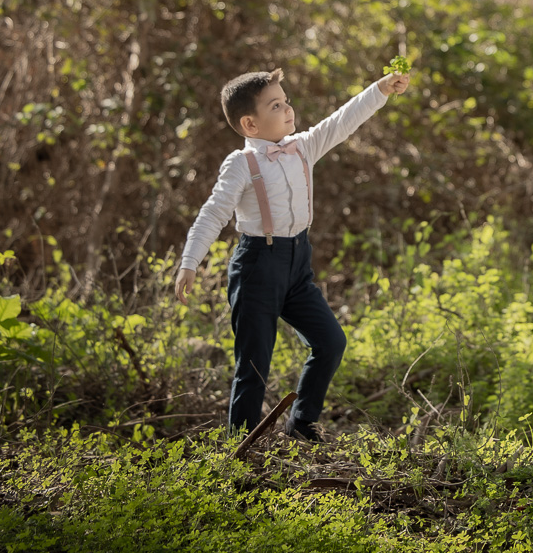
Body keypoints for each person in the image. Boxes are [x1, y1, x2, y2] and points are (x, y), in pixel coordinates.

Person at [176, 66, 412, 439]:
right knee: (253, 363)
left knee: (331, 341)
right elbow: (214, 212)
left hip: (297, 262)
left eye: (286, 102)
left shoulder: (303, 146)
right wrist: (190, 261)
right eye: (275, 106)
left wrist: (381, 88)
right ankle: (242, 445)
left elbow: (343, 120)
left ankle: (301, 423)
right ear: (250, 124)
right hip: (257, 266)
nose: (288, 110)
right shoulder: (241, 164)